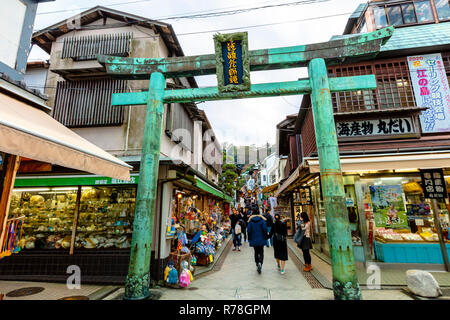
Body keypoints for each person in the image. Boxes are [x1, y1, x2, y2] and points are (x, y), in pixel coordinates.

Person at [247, 205, 268, 274]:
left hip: (254, 239)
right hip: (261, 238)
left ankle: (257, 263)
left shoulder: (250, 221)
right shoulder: (262, 220)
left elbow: (249, 230)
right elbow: (265, 229)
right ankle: (260, 263)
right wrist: (265, 236)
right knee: (261, 251)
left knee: (256, 251)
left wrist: (249, 238)